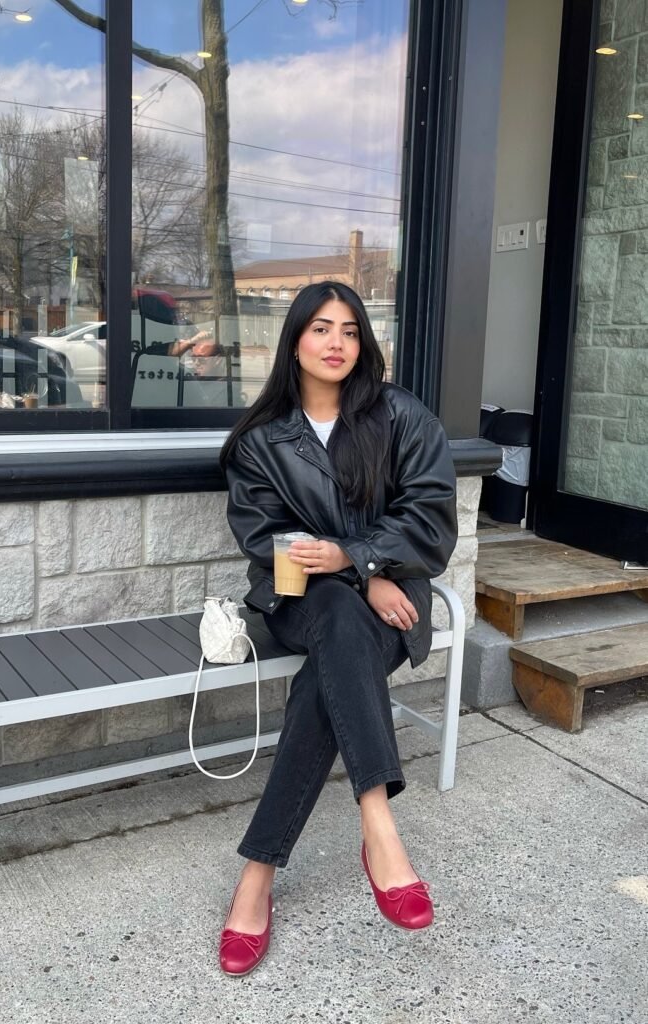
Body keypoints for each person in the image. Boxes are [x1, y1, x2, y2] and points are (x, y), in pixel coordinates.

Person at [218, 281, 457, 976]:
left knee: (326, 675)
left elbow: (431, 519)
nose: (336, 343)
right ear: (294, 339)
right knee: (333, 611)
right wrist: (357, 570)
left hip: (390, 603)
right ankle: (379, 826)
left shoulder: (400, 416)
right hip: (301, 599)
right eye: (321, 328)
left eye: (350, 330)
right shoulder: (261, 440)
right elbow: (264, 537)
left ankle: (257, 876)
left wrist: (360, 559)